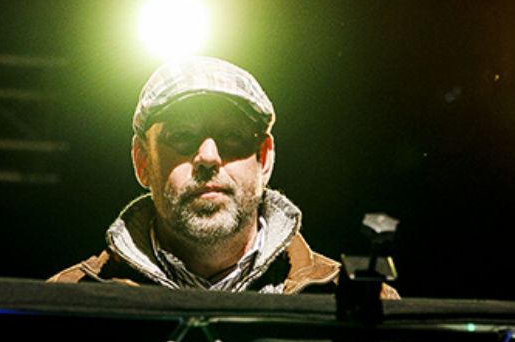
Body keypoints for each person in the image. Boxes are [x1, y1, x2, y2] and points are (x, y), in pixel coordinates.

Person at [51, 57, 367, 293]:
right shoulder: (64, 306)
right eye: (182, 136)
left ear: (264, 159)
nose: (208, 157)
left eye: (232, 135)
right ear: (143, 161)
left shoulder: (356, 304)